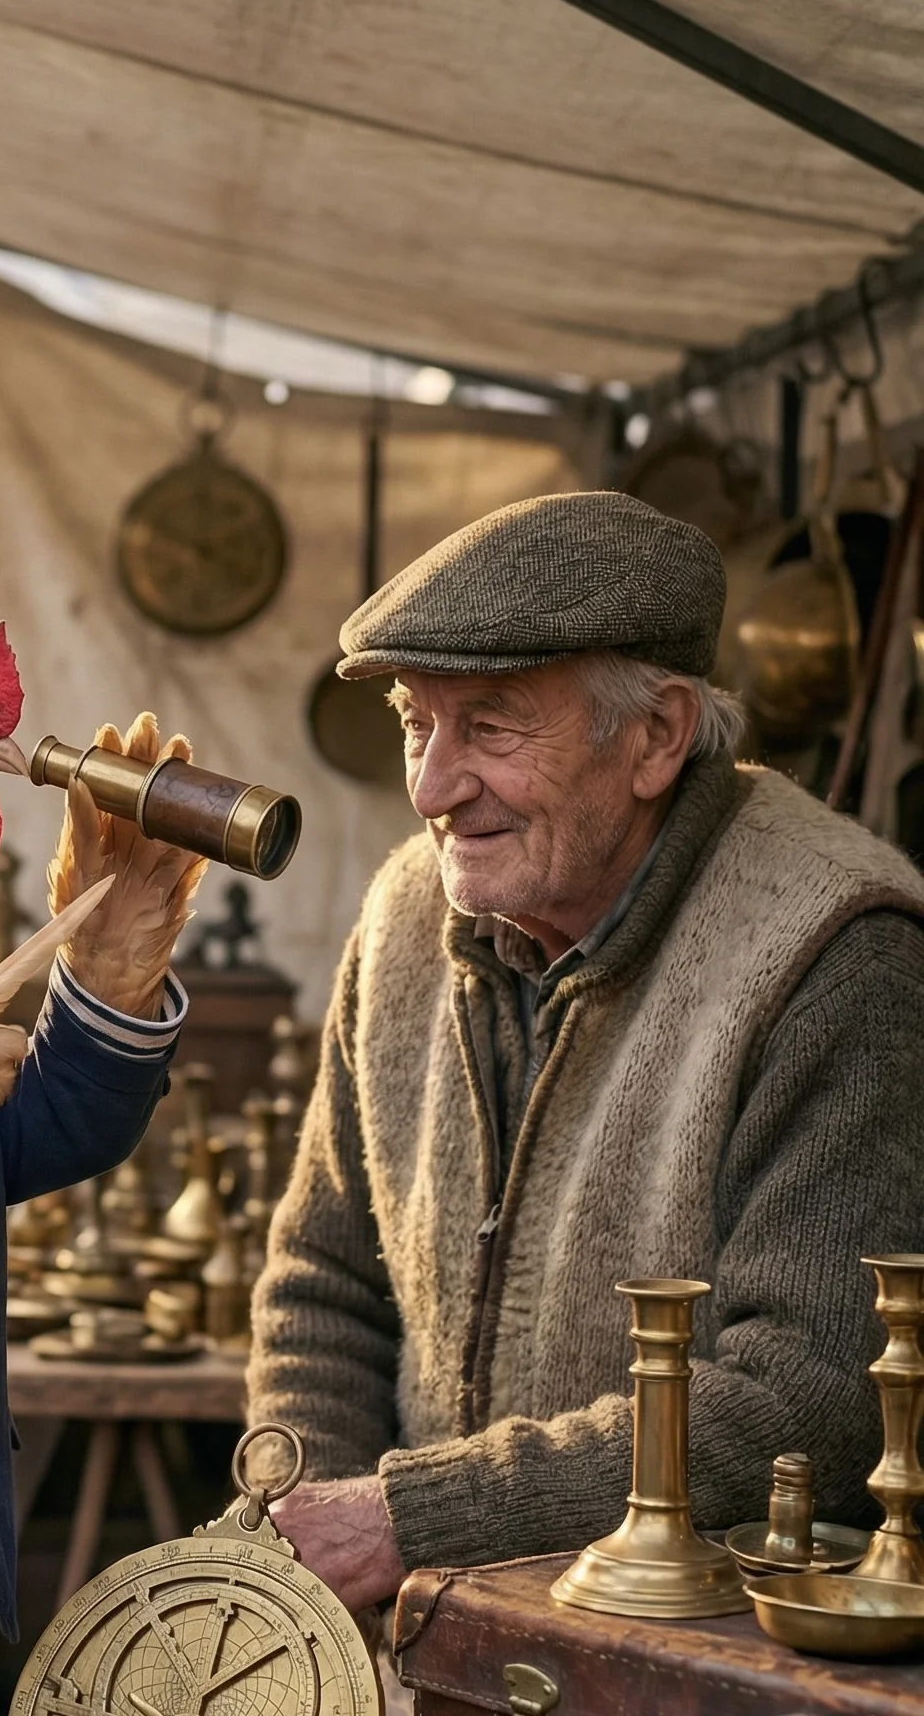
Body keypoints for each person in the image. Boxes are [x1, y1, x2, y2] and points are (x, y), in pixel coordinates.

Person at [247, 490, 924, 1612]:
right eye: (418, 722)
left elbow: (812, 1403)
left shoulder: (838, 958)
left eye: (492, 727)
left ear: (655, 736)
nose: (431, 788)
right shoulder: (408, 917)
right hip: (411, 1656)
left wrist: (412, 1519)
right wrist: (313, 1551)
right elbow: (324, 1281)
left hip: (682, 1691)